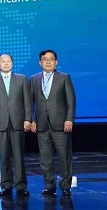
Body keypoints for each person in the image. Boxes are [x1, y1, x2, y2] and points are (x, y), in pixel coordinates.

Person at [30, 49, 76, 197]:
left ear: (56, 62)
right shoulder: (34, 79)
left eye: (51, 59)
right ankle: (49, 186)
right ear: (40, 62)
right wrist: (32, 119)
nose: (48, 61)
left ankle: (65, 186)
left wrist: (69, 119)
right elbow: (30, 102)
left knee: (64, 157)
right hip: (42, 124)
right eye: (45, 59)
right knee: (45, 158)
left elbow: (71, 101)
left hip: (61, 124)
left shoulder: (64, 77)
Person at [0, 53, 33, 199]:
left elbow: (27, 101)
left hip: (18, 122)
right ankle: (6, 185)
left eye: (8, 61)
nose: (6, 64)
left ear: (12, 63)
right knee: (4, 156)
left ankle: (21, 186)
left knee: (19, 156)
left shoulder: (22, 79)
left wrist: (28, 119)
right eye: (3, 61)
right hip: (0, 122)